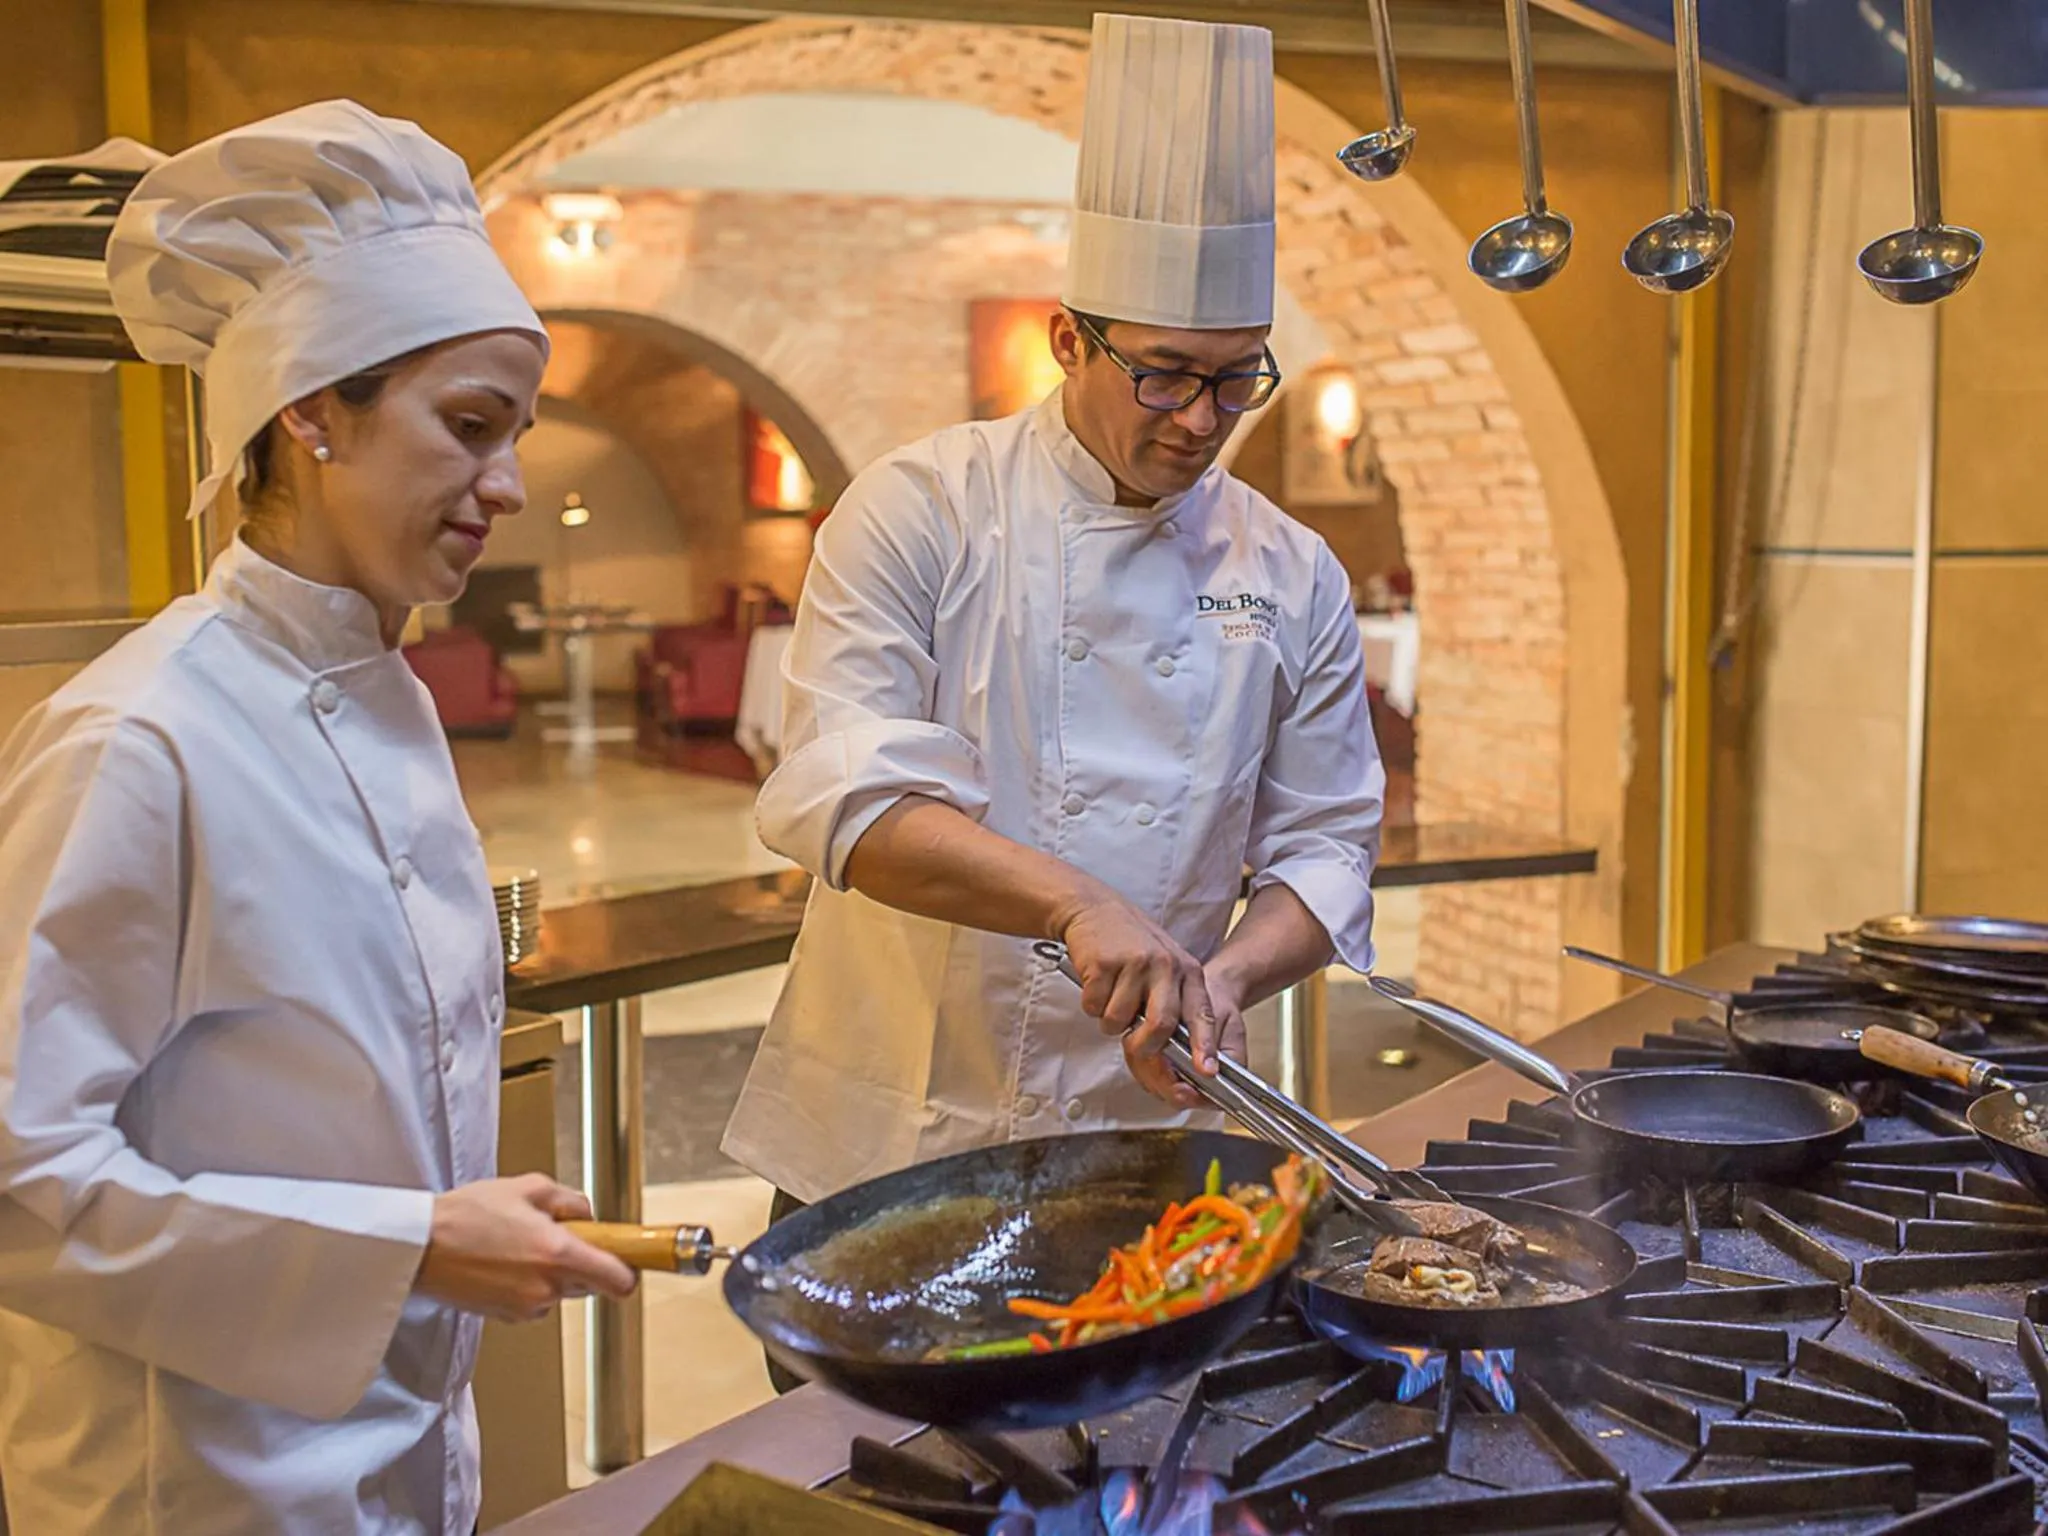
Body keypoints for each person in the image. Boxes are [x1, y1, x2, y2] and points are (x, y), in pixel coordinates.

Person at [0, 101, 636, 1534]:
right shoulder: (139, 740)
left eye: (515, 435)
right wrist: (409, 1248)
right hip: (193, 1487)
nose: (508, 486)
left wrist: (444, 1230)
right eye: (467, 427)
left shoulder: (386, 696)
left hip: (399, 1455)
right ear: (309, 409)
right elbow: (19, 1182)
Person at [723, 12, 1384, 1308]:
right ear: (1067, 339)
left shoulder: (1291, 568)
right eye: (1165, 376)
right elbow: (846, 800)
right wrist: (1080, 905)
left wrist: (1222, 980)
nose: (1201, 420)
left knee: (1125, 1421)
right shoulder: (923, 506)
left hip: (1144, 1137)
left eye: (1235, 381)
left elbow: (1327, 844)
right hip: (893, 1140)